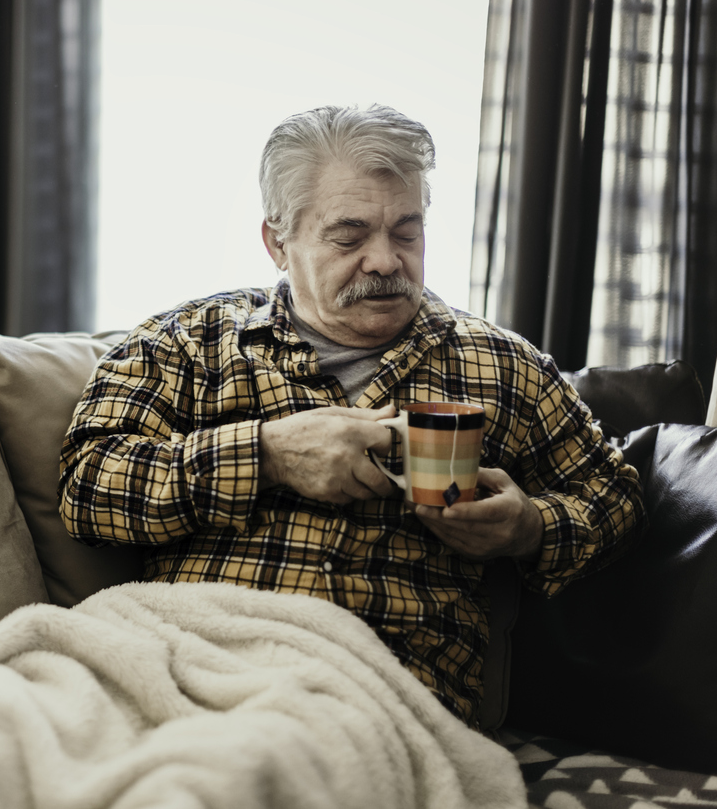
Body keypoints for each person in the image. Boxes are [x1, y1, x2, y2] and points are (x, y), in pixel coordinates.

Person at [57, 104, 644, 727]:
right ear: (278, 242)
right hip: (183, 662)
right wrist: (267, 454)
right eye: (350, 235)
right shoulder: (187, 343)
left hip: (380, 698)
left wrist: (530, 527)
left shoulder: (504, 366)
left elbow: (616, 499)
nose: (387, 261)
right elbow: (86, 486)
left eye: (407, 232)